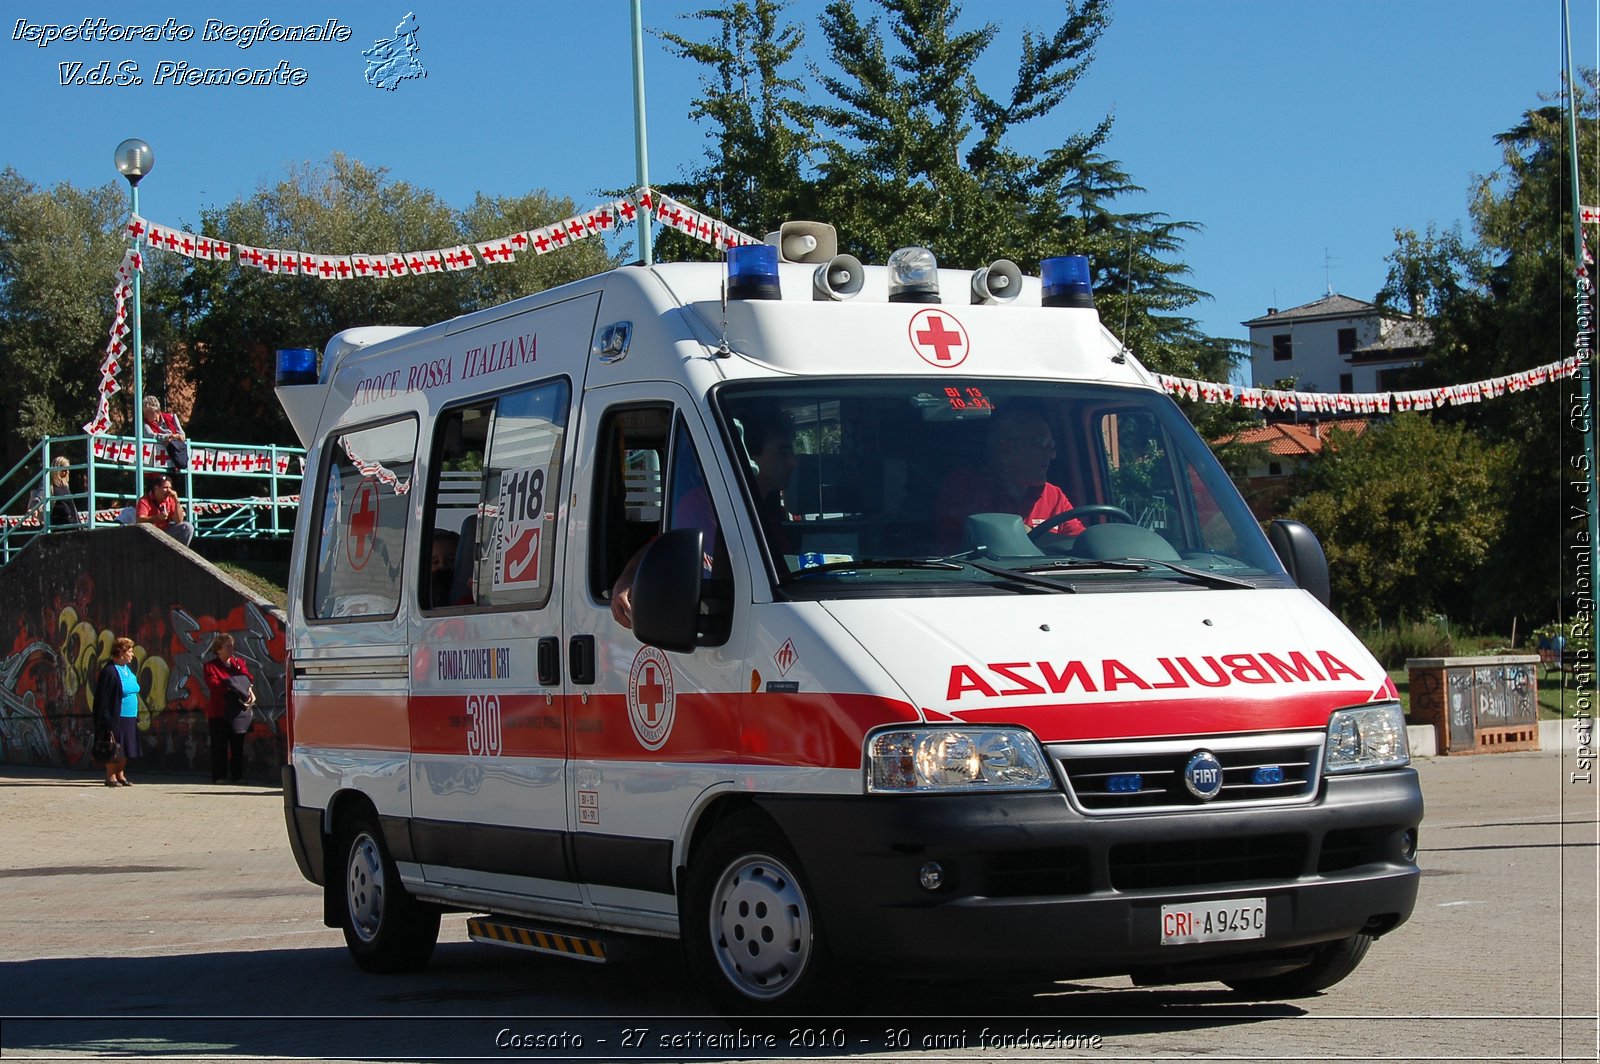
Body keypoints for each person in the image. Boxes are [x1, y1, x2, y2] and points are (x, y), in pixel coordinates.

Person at [935, 406, 1086, 552]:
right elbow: (986, 540)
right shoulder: (965, 487)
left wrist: (1032, 534)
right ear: (1006, 448)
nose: (1052, 454)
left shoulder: (1053, 495)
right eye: (1043, 443)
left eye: (1052, 445)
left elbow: (1080, 544)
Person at [202, 633, 254, 783]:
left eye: (232, 645)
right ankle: (220, 776)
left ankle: (237, 775)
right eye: (228, 646)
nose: (232, 648)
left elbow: (248, 678)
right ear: (218, 649)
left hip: (238, 711)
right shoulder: (211, 666)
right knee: (220, 745)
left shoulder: (239, 663)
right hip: (220, 711)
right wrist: (234, 684)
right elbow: (214, 685)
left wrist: (232, 683)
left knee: (238, 744)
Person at [92, 636, 140, 787]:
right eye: (130, 651)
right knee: (114, 747)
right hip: (116, 717)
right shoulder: (110, 671)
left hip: (130, 716)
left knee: (126, 748)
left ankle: (121, 774)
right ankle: (110, 776)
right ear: (121, 652)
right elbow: (102, 698)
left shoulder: (127, 670)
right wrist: (105, 720)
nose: (132, 654)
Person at [136, 473, 194, 546]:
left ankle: (180, 554)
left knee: (187, 527)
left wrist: (176, 500)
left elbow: (179, 520)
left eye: (170, 488)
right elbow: (139, 520)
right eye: (165, 487)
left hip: (165, 533)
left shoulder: (170, 499)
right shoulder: (144, 500)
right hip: (150, 535)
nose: (169, 491)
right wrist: (157, 518)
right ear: (156, 488)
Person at [143, 396, 187, 477]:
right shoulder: (145, 425)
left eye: (147, 412)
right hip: (158, 464)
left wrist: (175, 437)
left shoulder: (172, 417)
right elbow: (151, 436)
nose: (145, 415)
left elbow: (182, 434)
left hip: (175, 459)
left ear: (156, 411)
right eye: (144, 412)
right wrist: (169, 436)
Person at [48, 456, 83, 528]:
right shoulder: (50, 484)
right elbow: (40, 494)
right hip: (59, 523)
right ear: (57, 469)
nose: (67, 472)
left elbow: (71, 505)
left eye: (68, 469)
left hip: (71, 521)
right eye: (64, 470)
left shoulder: (65, 484)